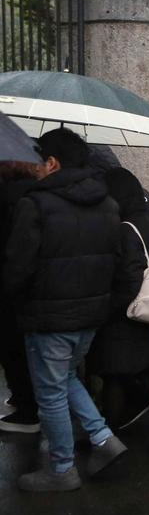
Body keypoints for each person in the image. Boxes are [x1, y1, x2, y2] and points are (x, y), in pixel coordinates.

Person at [3, 128, 126, 491]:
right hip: (90, 316)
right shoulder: (108, 203)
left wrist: (13, 300)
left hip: (48, 317)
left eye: (39, 160)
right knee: (66, 378)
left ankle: (61, 468)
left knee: (50, 392)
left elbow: (18, 266)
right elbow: (116, 260)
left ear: (52, 163)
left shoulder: (35, 204)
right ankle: (104, 438)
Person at [88, 168, 149, 453]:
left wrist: (109, 307)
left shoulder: (125, 228)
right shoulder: (147, 221)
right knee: (125, 373)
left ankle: (111, 436)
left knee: (130, 373)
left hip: (129, 317)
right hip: (148, 313)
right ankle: (111, 433)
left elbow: (130, 278)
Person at [0, 160, 40, 434]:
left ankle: (26, 408)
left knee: (11, 347)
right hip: (42, 287)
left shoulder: (6, 198)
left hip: (10, 284)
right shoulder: (42, 195)